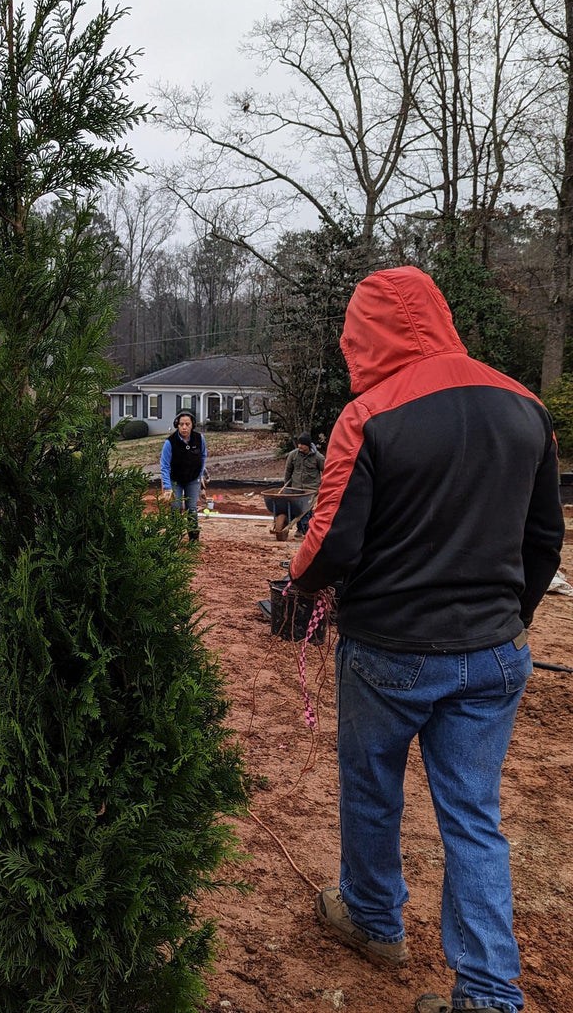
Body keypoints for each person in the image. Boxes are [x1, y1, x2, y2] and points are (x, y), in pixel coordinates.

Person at [289, 267, 564, 1013]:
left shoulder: (369, 415)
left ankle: (375, 921)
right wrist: (510, 622)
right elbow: (546, 542)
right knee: (475, 817)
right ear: (440, 316)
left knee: (372, 790)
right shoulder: (526, 404)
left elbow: (331, 548)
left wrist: (299, 584)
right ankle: (487, 995)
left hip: (390, 652)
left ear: (363, 336)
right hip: (495, 653)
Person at [160, 409, 206, 542]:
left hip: (193, 479)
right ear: (177, 425)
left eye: (187, 424)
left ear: (192, 425)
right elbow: (164, 465)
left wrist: (201, 474)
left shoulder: (199, 439)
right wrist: (168, 487)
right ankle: (173, 537)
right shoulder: (170, 443)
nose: (184, 427)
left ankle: (193, 538)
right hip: (176, 480)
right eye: (181, 424)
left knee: (192, 508)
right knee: (176, 507)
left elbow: (203, 456)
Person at [283, 431, 324, 536]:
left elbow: (326, 471)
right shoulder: (293, 455)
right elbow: (288, 471)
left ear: (308, 445)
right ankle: (300, 529)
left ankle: (307, 530)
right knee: (297, 509)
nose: (299, 446)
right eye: (299, 444)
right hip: (296, 488)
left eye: (302, 444)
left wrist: (324, 486)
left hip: (311, 489)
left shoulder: (318, 458)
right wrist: (286, 487)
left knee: (306, 511)